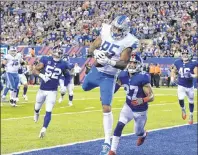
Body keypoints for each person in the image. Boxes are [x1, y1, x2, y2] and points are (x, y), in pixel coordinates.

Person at [82, 15, 139, 155]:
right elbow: (94, 45)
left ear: (125, 30)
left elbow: (124, 64)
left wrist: (110, 62)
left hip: (109, 76)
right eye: (114, 27)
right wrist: (94, 52)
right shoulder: (106, 30)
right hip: (96, 70)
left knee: (106, 107)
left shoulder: (129, 41)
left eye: (119, 29)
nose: (115, 31)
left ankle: (107, 141)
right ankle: (101, 88)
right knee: (84, 87)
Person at [108, 54, 154, 155]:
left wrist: (142, 100)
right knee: (119, 125)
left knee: (138, 132)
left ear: (139, 65)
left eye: (134, 63)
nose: (132, 64)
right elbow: (116, 86)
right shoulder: (123, 75)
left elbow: (151, 97)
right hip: (128, 105)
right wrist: (108, 95)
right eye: (130, 62)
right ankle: (113, 151)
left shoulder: (143, 77)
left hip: (140, 109)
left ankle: (143, 134)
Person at [32, 48, 73, 138]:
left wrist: (64, 86)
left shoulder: (63, 64)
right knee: (37, 106)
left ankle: (44, 128)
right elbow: (34, 70)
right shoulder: (46, 59)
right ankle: (36, 113)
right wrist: (42, 75)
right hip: (42, 89)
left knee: (49, 110)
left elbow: (67, 76)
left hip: (52, 91)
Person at [171, 49, 198, 124]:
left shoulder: (193, 63)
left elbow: (196, 74)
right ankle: (183, 109)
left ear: (189, 54)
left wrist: (191, 75)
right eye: (183, 53)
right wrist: (172, 78)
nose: (185, 55)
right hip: (181, 85)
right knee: (180, 98)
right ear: (181, 54)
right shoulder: (177, 62)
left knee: (191, 101)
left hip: (190, 86)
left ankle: (191, 115)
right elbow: (173, 70)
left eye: (186, 53)